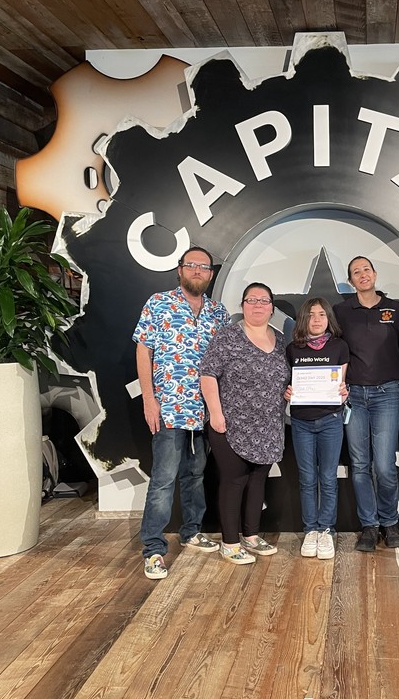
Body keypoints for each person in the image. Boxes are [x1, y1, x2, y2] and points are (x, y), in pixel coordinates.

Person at [134, 246, 230, 580]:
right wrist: (149, 398)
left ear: (211, 274)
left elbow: (226, 361)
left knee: (196, 475)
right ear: (179, 269)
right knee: (163, 480)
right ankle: (153, 549)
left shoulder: (218, 313)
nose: (197, 271)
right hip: (169, 408)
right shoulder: (158, 303)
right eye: (191, 265)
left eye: (203, 267)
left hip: (205, 411)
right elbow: (143, 350)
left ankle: (191, 531)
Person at [200, 282, 289, 564]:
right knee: (234, 480)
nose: (258, 305)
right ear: (242, 306)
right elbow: (208, 375)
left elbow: (284, 380)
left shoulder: (281, 341)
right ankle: (229, 542)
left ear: (272, 308)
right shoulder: (227, 337)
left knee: (257, 480)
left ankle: (251, 536)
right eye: (251, 300)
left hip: (268, 427)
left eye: (264, 300)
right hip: (230, 424)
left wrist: (288, 392)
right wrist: (216, 414)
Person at [334, 256, 399, 551]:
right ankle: (369, 525)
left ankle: (390, 523)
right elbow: (333, 351)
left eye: (366, 269)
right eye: (356, 272)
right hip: (353, 395)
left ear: (375, 274)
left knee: (384, 465)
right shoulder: (341, 312)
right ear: (351, 281)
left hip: (388, 393)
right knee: (359, 464)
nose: (362, 274)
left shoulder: (397, 310)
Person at [285, 299, 349, 560]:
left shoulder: (340, 347)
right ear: (303, 319)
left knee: (328, 478)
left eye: (322, 314)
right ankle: (310, 529)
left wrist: (344, 391)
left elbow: (342, 382)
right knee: (307, 478)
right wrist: (287, 392)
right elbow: (286, 382)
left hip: (331, 420)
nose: (316, 319)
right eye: (311, 315)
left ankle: (327, 530)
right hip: (301, 421)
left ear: (328, 318)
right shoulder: (293, 349)